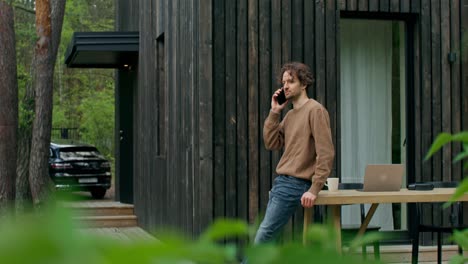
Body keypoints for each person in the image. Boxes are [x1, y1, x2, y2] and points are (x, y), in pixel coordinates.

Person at [253, 62, 335, 244]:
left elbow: (326, 152)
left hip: (295, 184)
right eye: (284, 83)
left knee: (264, 235)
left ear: (303, 84)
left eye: (291, 81)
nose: (286, 86)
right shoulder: (290, 116)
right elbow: (271, 143)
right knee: (268, 237)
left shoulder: (315, 110)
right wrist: (275, 111)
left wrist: (314, 189)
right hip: (282, 183)